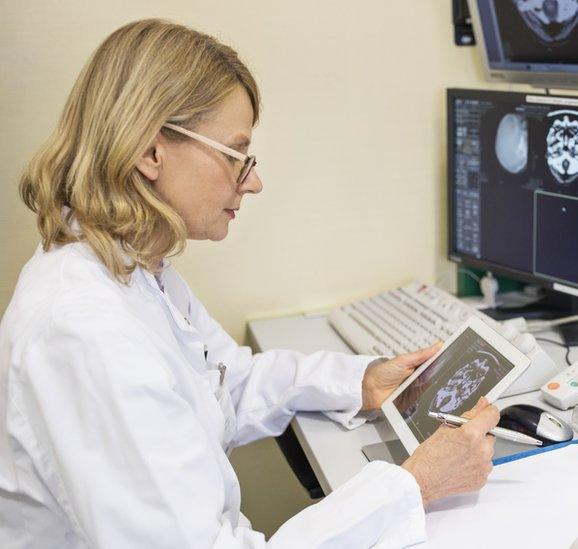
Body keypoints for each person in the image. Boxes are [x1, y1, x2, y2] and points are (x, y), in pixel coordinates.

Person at [0, 19, 500, 548]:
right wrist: (416, 484)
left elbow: (224, 384)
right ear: (151, 152)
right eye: (236, 156)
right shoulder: (84, 330)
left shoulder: (131, 266)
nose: (253, 180)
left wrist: (361, 383)